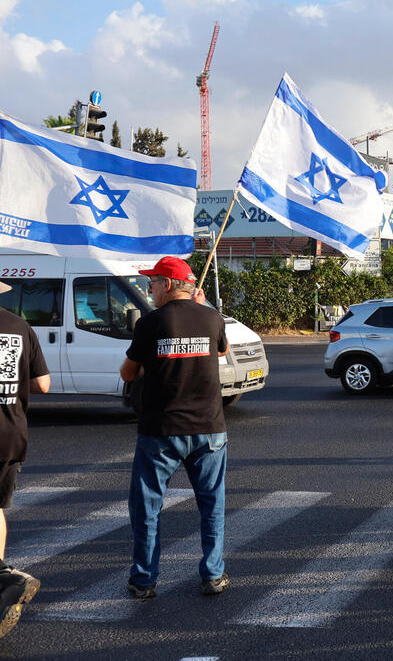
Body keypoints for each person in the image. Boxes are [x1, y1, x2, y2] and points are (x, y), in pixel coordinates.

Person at [119, 256, 230, 600]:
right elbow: (222, 350)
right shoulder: (213, 317)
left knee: (148, 507)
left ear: (168, 284)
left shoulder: (150, 323)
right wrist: (202, 310)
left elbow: (127, 373)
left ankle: (144, 579)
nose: (148, 289)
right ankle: (213, 574)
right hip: (209, 428)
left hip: (161, 430)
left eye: (151, 282)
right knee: (211, 504)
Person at [0, 281, 49, 638]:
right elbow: (43, 383)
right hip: (10, 431)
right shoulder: (19, 326)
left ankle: (6, 576)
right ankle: (2, 578)